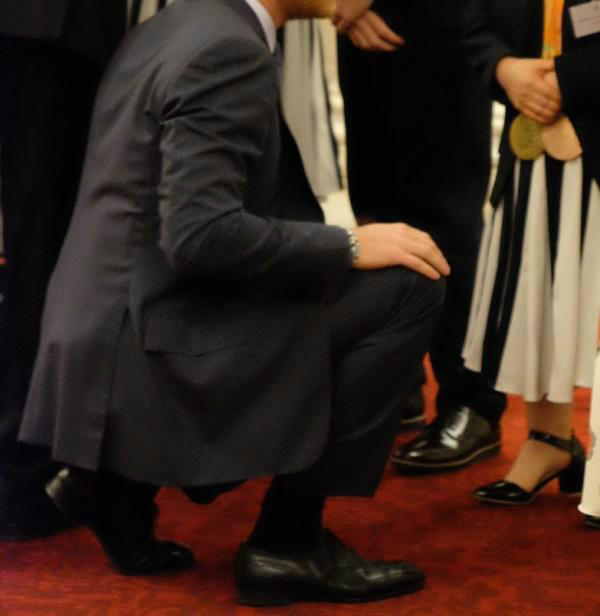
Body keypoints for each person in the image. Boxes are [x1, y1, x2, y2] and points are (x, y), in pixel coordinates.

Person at [18, 0, 449, 606]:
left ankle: (117, 487)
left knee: (346, 269)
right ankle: (288, 544)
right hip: (145, 348)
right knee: (408, 285)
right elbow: (202, 236)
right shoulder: (228, 49)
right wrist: (349, 244)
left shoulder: (178, 23)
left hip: (99, 339)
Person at [333, 0, 507, 474]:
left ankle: (471, 401)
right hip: (359, 26)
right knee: (375, 205)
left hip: (441, 24)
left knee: (446, 215)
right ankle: (398, 383)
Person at [461, 0, 600, 505]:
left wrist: (573, 77)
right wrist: (503, 67)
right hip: (534, 138)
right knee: (536, 278)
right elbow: (472, 18)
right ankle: (549, 439)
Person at [0, 0, 128, 541]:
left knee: (34, 242)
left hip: (41, 30)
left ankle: (22, 475)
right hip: (48, 29)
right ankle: (21, 482)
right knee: (41, 246)